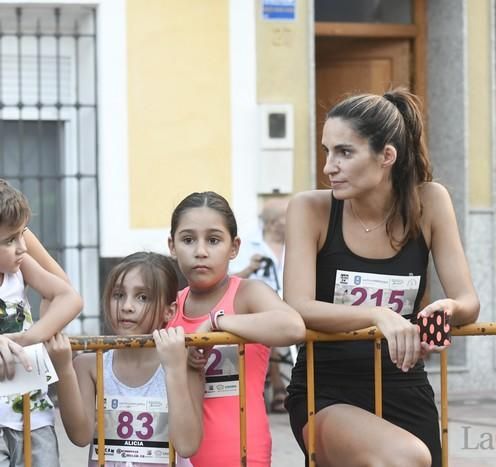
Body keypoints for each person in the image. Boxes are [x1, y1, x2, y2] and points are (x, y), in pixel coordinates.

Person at [284, 88, 480, 467]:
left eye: (344, 152)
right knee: (405, 458)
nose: (329, 167)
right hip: (325, 388)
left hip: (404, 384)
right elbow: (297, 306)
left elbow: (468, 301)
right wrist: (379, 314)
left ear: (386, 156)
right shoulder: (310, 209)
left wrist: (446, 309)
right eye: (327, 151)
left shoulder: (431, 203)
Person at [167, 191, 306, 467]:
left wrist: (218, 322)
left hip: (241, 453)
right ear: (172, 246)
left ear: (234, 247)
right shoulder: (171, 306)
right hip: (176, 454)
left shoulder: (248, 294)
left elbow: (293, 326)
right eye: (188, 239)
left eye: (214, 240)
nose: (200, 251)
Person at [46, 252, 203, 466]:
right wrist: (64, 369)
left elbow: (187, 445)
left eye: (143, 297)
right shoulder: (89, 365)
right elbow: (80, 436)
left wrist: (175, 369)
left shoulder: (185, 362)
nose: (127, 306)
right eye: (118, 295)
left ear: (169, 311)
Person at [0, 179, 83, 467]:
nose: (22, 247)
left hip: (31, 412)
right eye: (11, 240)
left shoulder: (18, 267)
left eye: (22, 235)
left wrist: (27, 338)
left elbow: (68, 296)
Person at [229, 196, 290, 413]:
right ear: (274, 223)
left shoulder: (297, 242)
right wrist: (249, 268)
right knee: (271, 326)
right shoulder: (245, 244)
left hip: (292, 306)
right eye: (288, 216)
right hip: (255, 310)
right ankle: (278, 386)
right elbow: (226, 280)